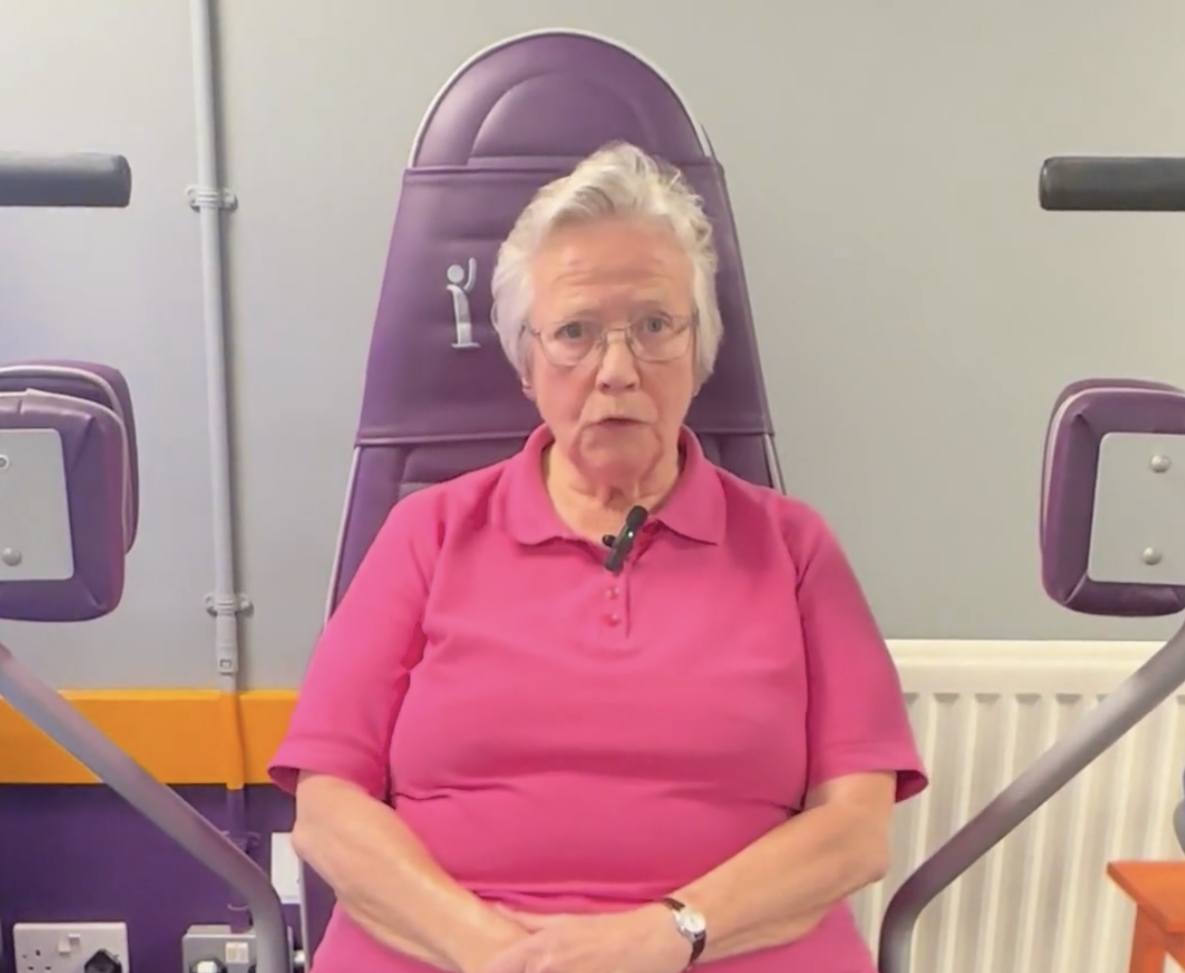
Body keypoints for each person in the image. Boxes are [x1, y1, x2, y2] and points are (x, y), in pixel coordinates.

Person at [268, 141, 928, 973]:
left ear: (698, 348)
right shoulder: (424, 534)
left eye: (654, 326)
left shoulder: (794, 549)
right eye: (575, 333)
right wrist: (496, 953)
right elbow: (328, 807)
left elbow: (853, 830)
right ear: (527, 360)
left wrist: (666, 934)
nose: (616, 370)